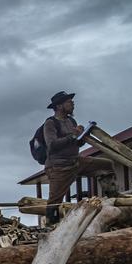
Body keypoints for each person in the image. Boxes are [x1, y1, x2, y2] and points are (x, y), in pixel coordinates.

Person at [42, 91, 113, 225]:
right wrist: (72, 136)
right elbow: (52, 145)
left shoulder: (71, 120)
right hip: (59, 167)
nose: (72, 103)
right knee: (54, 202)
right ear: (58, 106)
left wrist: (81, 135)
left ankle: (113, 196)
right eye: (68, 102)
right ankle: (50, 227)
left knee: (106, 164)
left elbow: (77, 143)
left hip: (76, 161)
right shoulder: (50, 123)